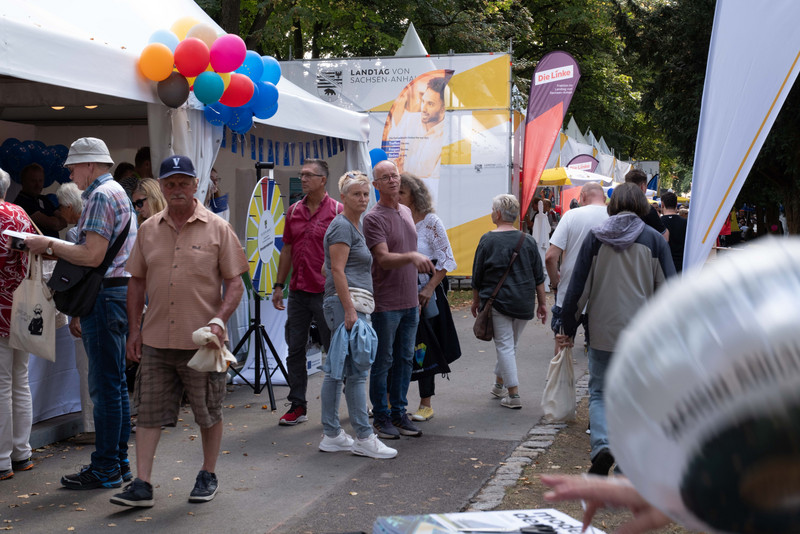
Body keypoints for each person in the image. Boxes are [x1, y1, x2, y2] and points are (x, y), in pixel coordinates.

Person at [111, 155, 248, 508]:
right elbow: (136, 282)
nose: (176, 190)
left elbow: (235, 284)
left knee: (208, 412)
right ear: (162, 186)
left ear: (195, 185)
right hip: (156, 338)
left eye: (183, 183)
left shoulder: (218, 228)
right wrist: (134, 331)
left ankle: (208, 472)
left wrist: (219, 319)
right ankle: (142, 483)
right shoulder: (147, 229)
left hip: (203, 342)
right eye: (169, 184)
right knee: (149, 412)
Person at [25, 137, 137, 490]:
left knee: (104, 388)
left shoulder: (101, 195)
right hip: (115, 293)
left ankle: (106, 467)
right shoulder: (117, 191)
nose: (70, 173)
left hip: (105, 296)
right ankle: (117, 463)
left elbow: (91, 255)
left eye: (73, 166)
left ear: (90, 164)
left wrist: (50, 245)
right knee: (114, 385)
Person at [558, 183, 675, 475]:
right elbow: (670, 291)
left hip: (602, 331)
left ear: (612, 205)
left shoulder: (595, 238)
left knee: (599, 392)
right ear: (642, 206)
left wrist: (567, 327)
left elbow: (579, 289)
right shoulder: (655, 240)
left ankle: (602, 446)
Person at [319, 171, 397, 459]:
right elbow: (336, 270)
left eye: (366, 194)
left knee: (340, 370)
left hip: (347, 303)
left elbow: (329, 268)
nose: (363, 199)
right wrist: (349, 308)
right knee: (355, 371)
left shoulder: (351, 225)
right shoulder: (342, 226)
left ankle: (333, 434)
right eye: (356, 194)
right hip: (348, 305)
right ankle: (363, 437)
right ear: (343, 197)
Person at [364, 160, 434, 439]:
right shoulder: (374, 217)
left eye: (395, 176)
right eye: (386, 177)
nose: (393, 181)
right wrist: (412, 257)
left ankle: (399, 413)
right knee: (383, 361)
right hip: (386, 302)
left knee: (405, 359)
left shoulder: (405, 210)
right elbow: (382, 258)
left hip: (409, 300)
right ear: (376, 185)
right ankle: (381, 416)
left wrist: (418, 291)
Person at [272, 159, 342, 426]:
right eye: (301, 175)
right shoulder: (292, 211)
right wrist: (279, 285)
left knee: (334, 349)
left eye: (308, 175)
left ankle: (347, 396)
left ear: (323, 180)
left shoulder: (338, 211)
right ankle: (297, 405)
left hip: (326, 293)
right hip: (298, 291)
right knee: (295, 348)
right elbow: (287, 249)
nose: (302, 179)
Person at [470, 194, 547, 409]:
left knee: (505, 346)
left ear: (497, 214)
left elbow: (478, 275)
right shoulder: (528, 240)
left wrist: (476, 301)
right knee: (510, 345)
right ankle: (499, 384)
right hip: (523, 302)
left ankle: (513, 395)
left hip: (498, 302)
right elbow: (538, 276)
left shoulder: (487, 240)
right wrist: (542, 303)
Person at [398, 173, 460, 422]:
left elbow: (446, 260)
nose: (397, 196)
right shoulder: (394, 218)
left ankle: (426, 403)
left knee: (423, 347)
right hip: (397, 293)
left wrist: (429, 288)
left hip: (425, 295)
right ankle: (393, 402)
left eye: (402, 192)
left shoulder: (431, 221)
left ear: (415, 194)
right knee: (395, 348)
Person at [0, 167, 35, 481]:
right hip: (22, 308)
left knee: (1, 385)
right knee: (19, 381)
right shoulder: (20, 213)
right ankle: (22, 452)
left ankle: (1, 460)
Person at [545, 182, 609, 354]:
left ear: (582, 197)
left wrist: (555, 283)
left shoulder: (571, 215)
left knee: (562, 342)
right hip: (604, 295)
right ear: (603, 197)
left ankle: (559, 379)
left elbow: (551, 257)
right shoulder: (615, 217)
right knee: (601, 351)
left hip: (570, 291)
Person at [55, 183, 95, 445]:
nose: (59, 212)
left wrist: (76, 315)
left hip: (86, 307)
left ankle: (92, 428)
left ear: (69, 207)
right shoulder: (98, 226)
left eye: (61, 207)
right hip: (105, 304)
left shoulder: (74, 234)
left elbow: (80, 278)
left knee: (87, 367)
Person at [390, 77, 448, 180]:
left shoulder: (447, 136)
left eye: (430, 104)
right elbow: (393, 157)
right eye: (423, 101)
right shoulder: (409, 120)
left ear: (443, 109)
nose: (423, 109)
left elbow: (436, 178)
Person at [13, 163, 66, 238]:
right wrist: (55, 220)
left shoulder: (44, 199)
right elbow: (54, 225)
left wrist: (55, 221)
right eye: (33, 181)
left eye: (40, 181)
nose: (37, 185)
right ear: (24, 181)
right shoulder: (21, 202)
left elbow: (65, 221)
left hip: (52, 247)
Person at [625, 169, 668, 241]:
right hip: (643, 250)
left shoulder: (616, 207)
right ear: (643, 187)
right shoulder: (647, 209)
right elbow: (665, 236)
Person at [659, 191, 687, 272]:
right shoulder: (685, 223)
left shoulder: (658, 223)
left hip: (663, 267)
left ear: (662, 204)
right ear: (676, 204)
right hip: (681, 265)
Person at [531, 200, 551, 291]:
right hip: (540, 242)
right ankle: (544, 284)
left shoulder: (541, 217)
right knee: (542, 262)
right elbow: (548, 229)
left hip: (541, 242)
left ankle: (545, 284)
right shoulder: (540, 217)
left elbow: (546, 230)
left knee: (542, 262)